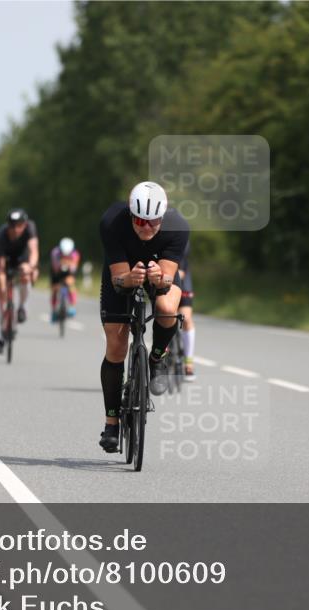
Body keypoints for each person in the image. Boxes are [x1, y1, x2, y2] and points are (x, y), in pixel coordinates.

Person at [97, 181, 188, 453]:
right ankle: (111, 423)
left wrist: (159, 279)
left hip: (158, 273)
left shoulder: (178, 227)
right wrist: (129, 278)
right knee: (116, 346)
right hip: (122, 275)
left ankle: (157, 358)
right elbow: (118, 279)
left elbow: (168, 279)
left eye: (152, 222)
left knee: (168, 307)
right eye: (139, 220)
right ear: (130, 213)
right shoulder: (112, 221)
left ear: (162, 216)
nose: (146, 227)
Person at [0, 208, 39, 354]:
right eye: (12, 226)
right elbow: (0, 268)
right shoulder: (1, 236)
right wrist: (2, 287)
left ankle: (23, 306)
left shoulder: (30, 228)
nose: (16, 229)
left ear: (25, 224)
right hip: (5, 260)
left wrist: (30, 266)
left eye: (19, 225)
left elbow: (34, 250)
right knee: (0, 295)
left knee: (27, 275)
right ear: (8, 226)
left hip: (23, 259)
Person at [177, 241, 196, 381]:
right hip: (158, 281)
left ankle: (188, 362)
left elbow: (180, 273)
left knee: (186, 318)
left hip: (180, 280)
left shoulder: (179, 234)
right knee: (162, 316)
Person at [50, 237, 80, 321]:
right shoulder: (55, 253)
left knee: (71, 284)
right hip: (56, 272)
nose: (65, 256)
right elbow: (55, 268)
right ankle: (54, 310)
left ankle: (72, 307)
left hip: (69, 271)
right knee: (55, 289)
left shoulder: (75, 254)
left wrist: (69, 265)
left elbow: (74, 267)